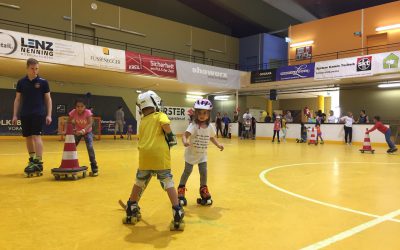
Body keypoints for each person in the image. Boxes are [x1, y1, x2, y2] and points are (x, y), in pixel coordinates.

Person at [123, 90, 184, 231]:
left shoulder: (142, 121)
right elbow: (166, 126)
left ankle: (131, 206)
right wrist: (171, 138)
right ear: (155, 102)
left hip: (145, 157)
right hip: (159, 157)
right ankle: (177, 211)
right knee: (168, 182)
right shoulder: (160, 115)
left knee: (139, 181)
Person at [177, 99, 224, 207]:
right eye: (199, 113)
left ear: (208, 114)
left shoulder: (210, 126)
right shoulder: (193, 125)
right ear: (196, 114)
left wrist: (218, 145)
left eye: (205, 113)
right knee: (187, 172)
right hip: (191, 155)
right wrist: (185, 141)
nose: (202, 115)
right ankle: (181, 190)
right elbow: (185, 135)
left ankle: (204, 190)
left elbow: (212, 137)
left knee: (204, 173)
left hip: (202, 155)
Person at [12, 58, 52, 177]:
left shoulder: (43, 82)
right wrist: (15, 114)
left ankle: (39, 162)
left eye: (37, 69)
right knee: (28, 137)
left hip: (38, 113)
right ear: (27, 68)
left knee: (36, 136)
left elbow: (48, 99)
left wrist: (49, 114)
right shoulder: (21, 82)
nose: (35, 71)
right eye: (32, 69)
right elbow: (17, 99)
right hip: (25, 114)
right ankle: (32, 159)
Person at [68, 99, 99, 176]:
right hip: (78, 132)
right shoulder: (73, 112)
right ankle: (69, 165)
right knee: (71, 147)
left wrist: (83, 130)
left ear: (85, 107)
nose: (80, 108)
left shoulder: (87, 112)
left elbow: (90, 123)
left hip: (87, 132)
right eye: (78, 106)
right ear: (75, 107)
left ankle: (94, 168)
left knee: (90, 148)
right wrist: (73, 128)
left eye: (82, 106)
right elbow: (68, 121)